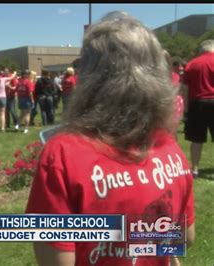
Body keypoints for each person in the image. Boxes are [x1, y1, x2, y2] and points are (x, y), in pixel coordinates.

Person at [26, 12, 194, 266]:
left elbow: (58, 261)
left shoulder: (62, 154)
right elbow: (186, 237)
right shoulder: (170, 148)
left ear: (91, 75)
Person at [183, 39, 214, 177]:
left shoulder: (191, 64)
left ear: (201, 50)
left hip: (197, 103)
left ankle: (195, 169)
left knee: (196, 140)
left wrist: (186, 109)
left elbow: (184, 89)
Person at [16, 70, 35, 134]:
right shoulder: (28, 82)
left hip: (20, 98)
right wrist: (32, 100)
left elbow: (17, 91)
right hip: (27, 99)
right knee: (27, 114)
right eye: (28, 74)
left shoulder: (19, 82)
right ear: (26, 75)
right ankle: (26, 128)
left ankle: (17, 125)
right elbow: (30, 92)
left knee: (22, 113)